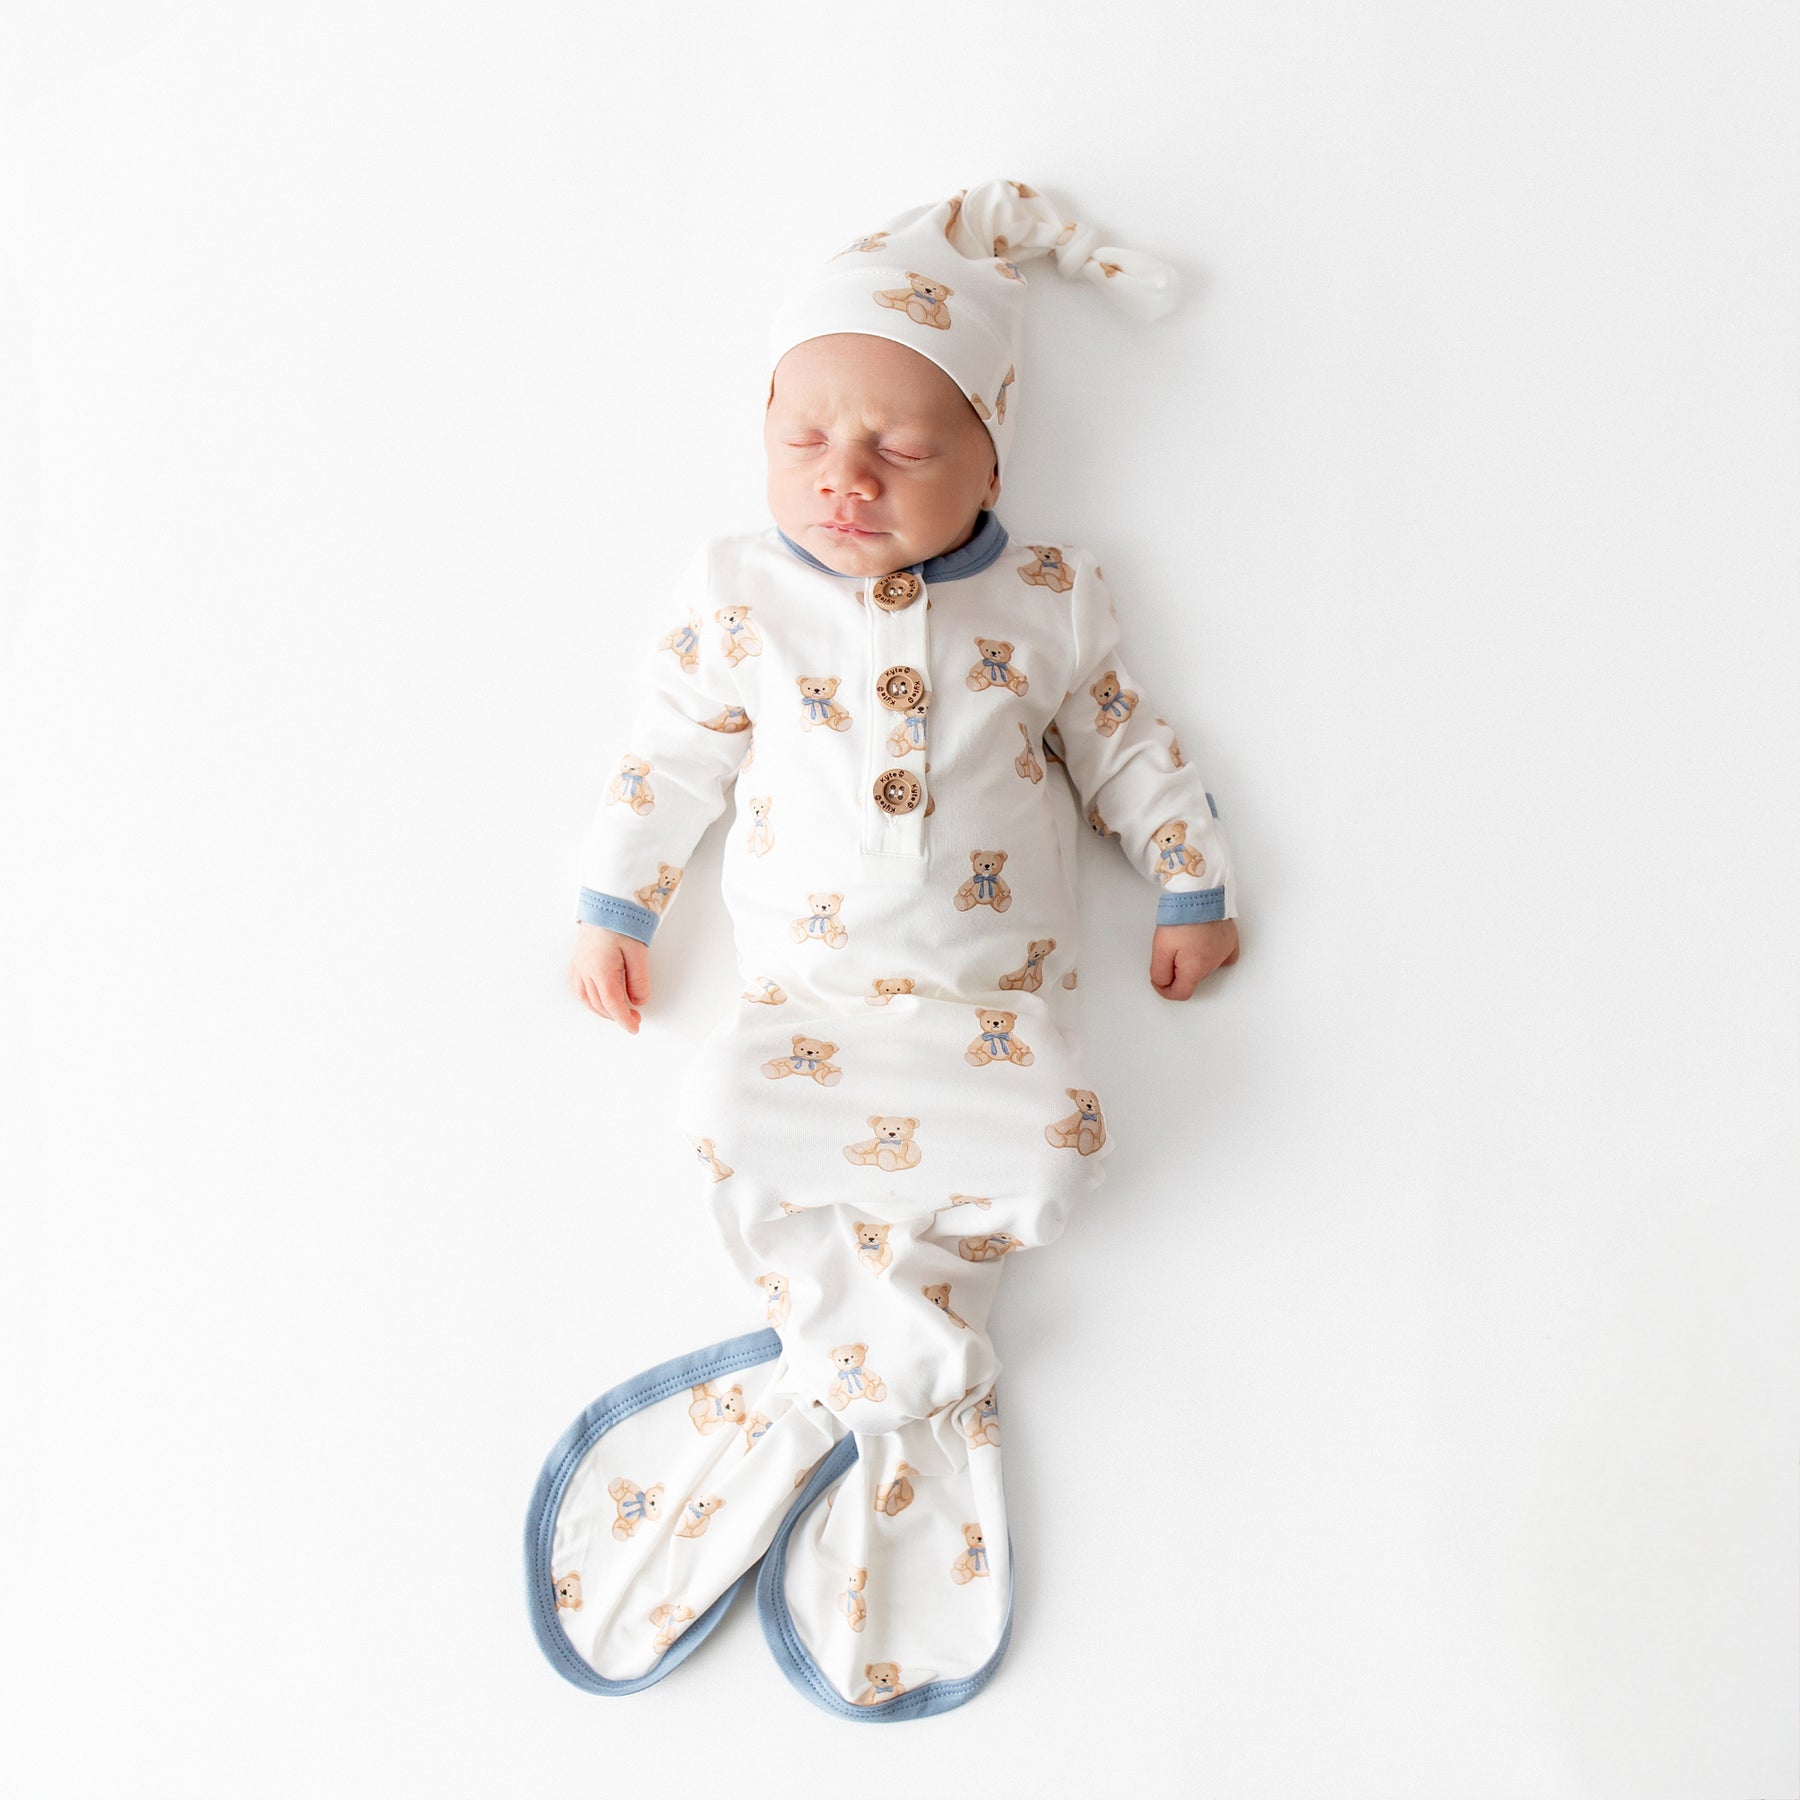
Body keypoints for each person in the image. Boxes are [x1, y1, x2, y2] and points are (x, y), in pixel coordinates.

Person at [526, 178, 1244, 1721]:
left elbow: (1127, 749)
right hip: (812, 1011)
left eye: (902, 449)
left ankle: (815, 1394)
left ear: (991, 451)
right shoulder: (743, 595)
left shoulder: (1049, 601)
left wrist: (1190, 881)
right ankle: (888, 1373)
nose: (844, 479)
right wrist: (618, 899)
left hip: (993, 1012)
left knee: (1058, 1154)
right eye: (804, 442)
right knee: (720, 1118)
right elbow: (671, 757)